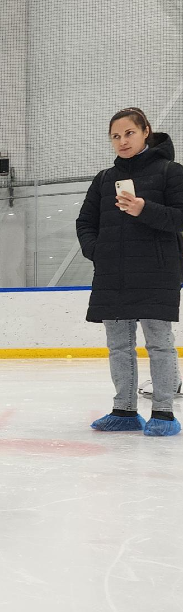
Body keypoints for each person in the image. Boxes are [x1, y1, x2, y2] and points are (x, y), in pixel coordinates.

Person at [76, 107, 183, 437]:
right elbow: (85, 223)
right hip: (114, 275)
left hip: (156, 272)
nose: (122, 141)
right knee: (119, 346)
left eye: (129, 133)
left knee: (159, 344)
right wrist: (99, 252)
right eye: (115, 136)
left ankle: (163, 413)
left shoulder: (170, 172)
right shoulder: (104, 179)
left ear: (146, 131)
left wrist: (144, 209)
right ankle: (124, 409)